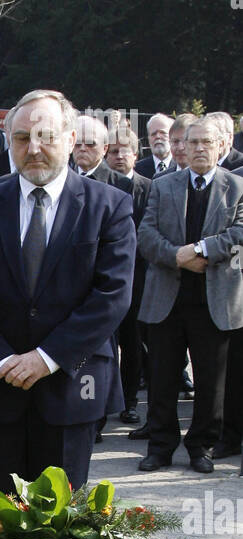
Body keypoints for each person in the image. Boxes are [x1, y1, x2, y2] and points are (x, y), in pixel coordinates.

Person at [0, 88, 135, 493]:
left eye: (45, 136)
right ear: (8, 141)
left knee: (63, 537)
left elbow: (111, 295)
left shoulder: (110, 207)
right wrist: (0, 360)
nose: (33, 149)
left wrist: (46, 359)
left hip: (70, 388)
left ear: (69, 139)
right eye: (22, 138)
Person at [137, 117, 243, 474]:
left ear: (219, 146)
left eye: (205, 143)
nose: (198, 149)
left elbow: (239, 234)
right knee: (162, 377)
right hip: (168, 296)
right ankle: (160, 447)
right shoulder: (163, 186)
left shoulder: (237, 187)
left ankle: (202, 446)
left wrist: (198, 250)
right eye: (191, 142)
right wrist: (176, 256)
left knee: (210, 381)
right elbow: (146, 235)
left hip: (215, 300)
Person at [105, 123, 152, 427]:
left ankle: (130, 401)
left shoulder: (149, 187)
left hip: (138, 277)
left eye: (125, 150)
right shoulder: (101, 185)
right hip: (106, 277)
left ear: (136, 154)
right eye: (113, 151)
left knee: (133, 343)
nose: (119, 156)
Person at [136, 114, 175, 179]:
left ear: (171, 136)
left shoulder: (181, 167)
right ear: (148, 139)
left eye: (162, 132)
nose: (158, 137)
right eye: (153, 134)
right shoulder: (137, 169)